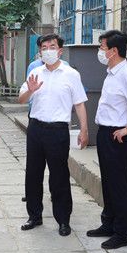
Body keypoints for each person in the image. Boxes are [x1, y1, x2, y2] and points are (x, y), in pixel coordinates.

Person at [18, 34, 89, 237]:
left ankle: (63, 219)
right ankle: (34, 216)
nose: (48, 50)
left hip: (58, 130)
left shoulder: (71, 74)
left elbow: (79, 103)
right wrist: (30, 91)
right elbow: (21, 99)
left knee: (59, 176)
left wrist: (84, 130)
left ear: (60, 51)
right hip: (35, 128)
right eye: (44, 47)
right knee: (33, 174)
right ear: (40, 52)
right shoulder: (35, 72)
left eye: (52, 46)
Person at [86, 30, 127, 249]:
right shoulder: (112, 72)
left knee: (120, 183)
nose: (100, 51)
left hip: (118, 136)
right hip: (106, 132)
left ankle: (123, 233)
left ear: (113, 51)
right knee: (108, 181)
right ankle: (109, 224)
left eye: (102, 47)